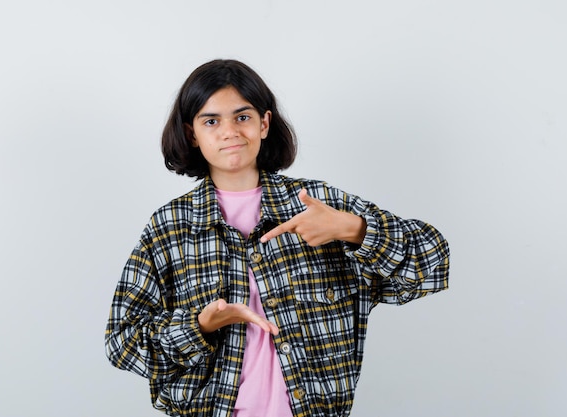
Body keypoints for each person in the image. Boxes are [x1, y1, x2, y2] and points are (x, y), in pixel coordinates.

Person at [105, 59, 450, 417]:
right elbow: (122, 342)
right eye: (211, 121)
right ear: (192, 134)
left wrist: (352, 230)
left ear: (264, 123)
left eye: (242, 117)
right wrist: (200, 326)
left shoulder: (319, 206)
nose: (229, 131)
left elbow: (434, 265)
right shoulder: (170, 227)